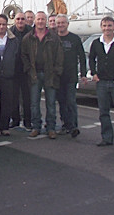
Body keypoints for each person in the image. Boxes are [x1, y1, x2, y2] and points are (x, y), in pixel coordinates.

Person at [21, 11, 63, 139]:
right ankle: (36, 127)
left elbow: (59, 56)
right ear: (34, 20)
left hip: (50, 74)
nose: (40, 21)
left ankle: (51, 128)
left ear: (46, 21)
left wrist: (57, 71)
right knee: (34, 102)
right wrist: (28, 69)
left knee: (51, 103)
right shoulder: (28, 38)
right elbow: (24, 55)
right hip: (34, 74)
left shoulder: (54, 37)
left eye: (43, 19)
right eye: (38, 19)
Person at [89, 16, 114, 151]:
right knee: (103, 112)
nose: (107, 28)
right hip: (102, 83)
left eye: (109, 26)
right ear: (101, 27)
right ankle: (107, 138)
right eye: (104, 26)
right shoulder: (96, 43)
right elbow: (91, 58)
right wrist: (94, 73)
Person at [55, 14, 87, 137]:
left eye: (63, 22)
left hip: (71, 76)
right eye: (58, 23)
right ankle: (65, 124)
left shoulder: (74, 38)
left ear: (67, 24)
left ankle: (73, 126)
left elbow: (82, 57)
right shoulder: (53, 39)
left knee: (71, 101)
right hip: (58, 77)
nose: (61, 25)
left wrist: (83, 74)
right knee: (62, 102)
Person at [0, 14, 19, 136]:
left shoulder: (13, 39)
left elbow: (17, 57)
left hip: (8, 74)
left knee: (7, 102)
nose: (1, 26)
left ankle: (4, 126)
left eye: (4, 24)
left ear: (7, 25)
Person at [9, 12, 32, 130]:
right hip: (13, 68)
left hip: (27, 69)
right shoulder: (10, 32)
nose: (20, 21)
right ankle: (15, 119)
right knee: (14, 97)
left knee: (27, 97)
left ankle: (28, 120)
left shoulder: (31, 31)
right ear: (14, 20)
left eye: (22, 19)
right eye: (18, 19)